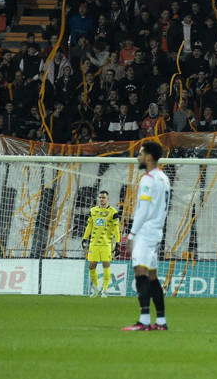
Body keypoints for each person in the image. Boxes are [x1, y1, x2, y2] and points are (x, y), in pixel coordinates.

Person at [122, 141, 170, 331]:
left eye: (141, 153)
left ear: (149, 157)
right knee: (152, 276)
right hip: (157, 230)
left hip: (146, 231)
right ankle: (160, 322)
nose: (138, 157)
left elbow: (143, 209)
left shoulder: (148, 179)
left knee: (139, 272)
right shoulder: (164, 178)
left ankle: (143, 321)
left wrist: (131, 234)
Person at [83, 190, 121, 298]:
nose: (101, 199)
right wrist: (85, 238)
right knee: (91, 266)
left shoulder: (113, 212)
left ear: (107, 199)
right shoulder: (93, 210)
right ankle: (95, 289)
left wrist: (118, 243)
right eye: (100, 197)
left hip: (106, 244)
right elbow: (89, 225)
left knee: (106, 265)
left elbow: (116, 229)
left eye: (103, 197)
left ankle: (104, 290)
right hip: (94, 244)